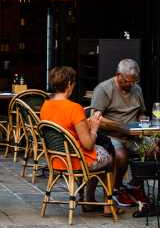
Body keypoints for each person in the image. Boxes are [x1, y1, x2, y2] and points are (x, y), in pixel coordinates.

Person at [40, 66, 122, 213]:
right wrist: (94, 127)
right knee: (110, 153)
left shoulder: (45, 106)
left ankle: (87, 198)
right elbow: (88, 145)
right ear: (69, 84)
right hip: (77, 161)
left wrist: (84, 126)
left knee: (102, 149)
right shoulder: (74, 108)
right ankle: (108, 205)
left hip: (56, 159)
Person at [90, 58, 144, 204]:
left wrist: (143, 123)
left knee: (154, 149)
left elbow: (141, 112)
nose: (131, 84)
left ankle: (135, 185)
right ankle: (116, 188)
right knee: (120, 155)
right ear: (118, 75)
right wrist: (121, 126)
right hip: (110, 135)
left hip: (134, 135)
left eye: (134, 81)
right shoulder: (104, 89)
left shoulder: (137, 89)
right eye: (127, 81)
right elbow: (96, 118)